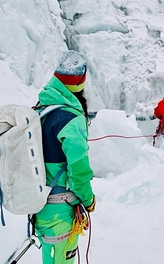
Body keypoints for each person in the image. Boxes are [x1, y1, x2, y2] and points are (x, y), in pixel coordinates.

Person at [34, 50, 96, 264]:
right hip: (61, 208)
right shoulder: (71, 119)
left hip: (40, 205)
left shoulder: (41, 110)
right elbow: (79, 168)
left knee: (50, 258)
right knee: (63, 259)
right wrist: (88, 200)